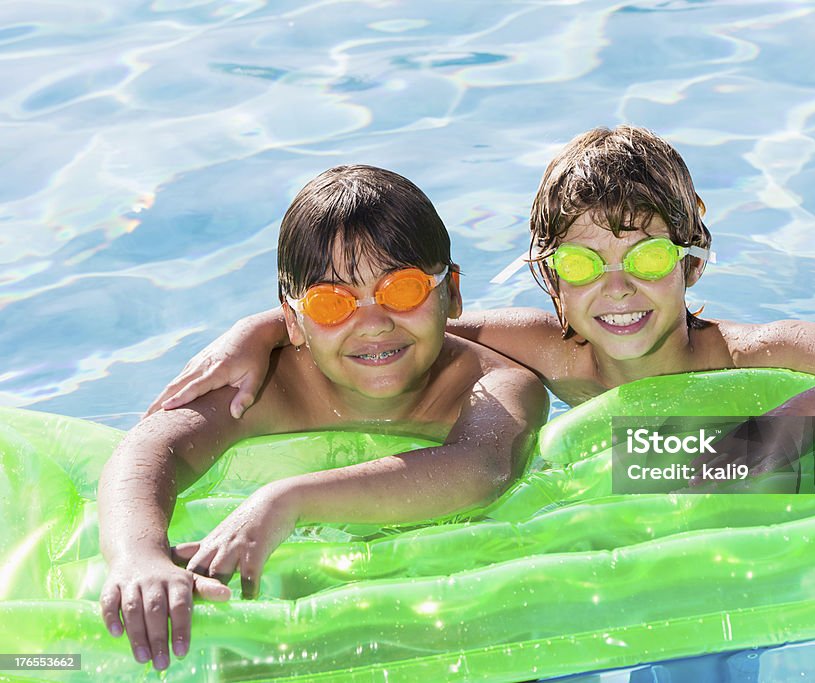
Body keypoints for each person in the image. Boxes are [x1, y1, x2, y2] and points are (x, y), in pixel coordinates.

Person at [148, 125, 815, 472]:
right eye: (583, 266)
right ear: (548, 279)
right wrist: (260, 328)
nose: (616, 288)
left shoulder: (742, 351)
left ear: (692, 264)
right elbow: (392, 320)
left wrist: (788, 426)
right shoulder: (550, 348)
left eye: (645, 255)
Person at [99, 165, 548, 671]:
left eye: (402, 290)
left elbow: (481, 468)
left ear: (454, 293)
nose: (374, 323)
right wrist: (139, 555)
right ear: (293, 320)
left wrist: (287, 498)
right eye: (332, 304)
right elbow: (149, 448)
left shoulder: (495, 385)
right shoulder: (267, 387)